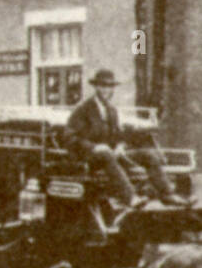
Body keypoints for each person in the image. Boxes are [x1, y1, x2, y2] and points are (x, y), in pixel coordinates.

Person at [63, 69, 178, 210]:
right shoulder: (82, 109)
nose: (106, 90)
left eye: (110, 87)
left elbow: (117, 134)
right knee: (106, 153)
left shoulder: (111, 110)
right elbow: (70, 138)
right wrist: (94, 147)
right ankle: (130, 197)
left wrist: (120, 145)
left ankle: (167, 194)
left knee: (148, 154)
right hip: (87, 157)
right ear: (96, 87)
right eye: (103, 86)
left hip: (108, 156)